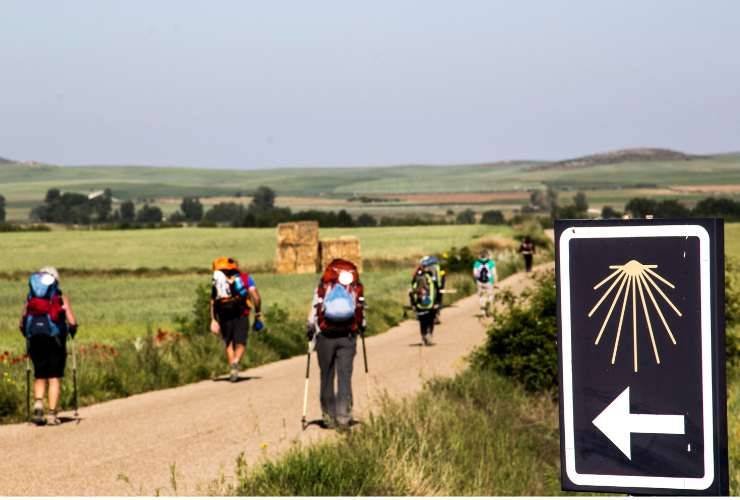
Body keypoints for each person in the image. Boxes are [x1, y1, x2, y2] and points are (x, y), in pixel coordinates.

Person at [306, 259, 365, 431]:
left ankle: (328, 417)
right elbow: (360, 308)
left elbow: (314, 309)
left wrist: (310, 328)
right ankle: (344, 416)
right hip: (347, 336)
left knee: (327, 375)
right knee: (345, 375)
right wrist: (361, 327)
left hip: (325, 336)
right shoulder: (355, 286)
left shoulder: (324, 285)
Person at [19, 266, 78, 425]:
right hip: (55, 339)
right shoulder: (60, 297)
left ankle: (38, 403)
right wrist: (71, 331)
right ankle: (52, 414)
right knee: (54, 377)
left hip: (35, 338)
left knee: (40, 375)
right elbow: (72, 321)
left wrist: (29, 336)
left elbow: (22, 322)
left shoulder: (30, 298)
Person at [210, 257, 262, 382]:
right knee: (241, 342)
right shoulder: (245, 278)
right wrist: (258, 312)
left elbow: (213, 301)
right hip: (241, 313)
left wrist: (213, 319)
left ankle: (232, 368)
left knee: (228, 342)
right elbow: (255, 296)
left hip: (223, 314)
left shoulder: (218, 280)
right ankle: (236, 361)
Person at [409, 265, 437, 345]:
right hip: (429, 304)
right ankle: (428, 335)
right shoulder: (429, 279)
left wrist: (413, 304)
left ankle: (424, 335)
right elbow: (434, 291)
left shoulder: (415, 280)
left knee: (423, 322)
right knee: (430, 321)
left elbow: (412, 294)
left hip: (420, 305)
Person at [473, 250, 497, 317]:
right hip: (489, 282)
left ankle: (482, 311)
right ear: (487, 255)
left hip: (479, 282)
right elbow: (494, 273)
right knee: (490, 295)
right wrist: (495, 282)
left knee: (481, 296)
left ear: (480, 256)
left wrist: (477, 280)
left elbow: (475, 274)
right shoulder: (491, 263)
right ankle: (488, 306)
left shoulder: (476, 263)